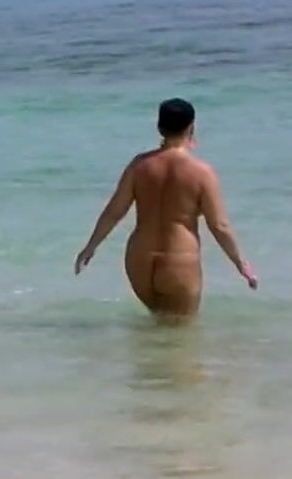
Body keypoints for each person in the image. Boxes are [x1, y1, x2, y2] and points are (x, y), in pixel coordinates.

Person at [74, 98, 257, 317]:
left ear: (160, 128)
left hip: (139, 260)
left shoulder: (139, 166)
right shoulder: (201, 173)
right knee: (180, 333)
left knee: (158, 325)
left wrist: (90, 247)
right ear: (191, 128)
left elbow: (114, 211)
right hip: (179, 260)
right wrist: (241, 264)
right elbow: (219, 225)